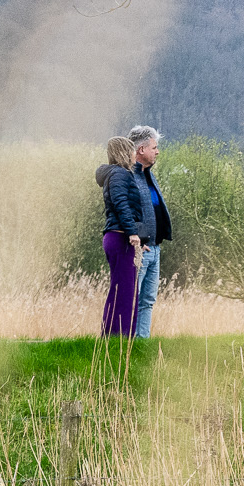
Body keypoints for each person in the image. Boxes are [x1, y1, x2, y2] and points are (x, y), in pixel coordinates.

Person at [99, 135, 150, 338]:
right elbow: (121, 204)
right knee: (125, 291)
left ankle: (113, 337)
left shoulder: (116, 174)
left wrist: (140, 240)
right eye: (131, 151)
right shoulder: (120, 174)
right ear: (124, 153)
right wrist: (132, 234)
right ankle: (120, 337)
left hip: (120, 238)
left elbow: (131, 210)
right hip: (120, 238)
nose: (133, 155)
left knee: (122, 288)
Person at [127, 125, 172, 338]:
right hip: (141, 248)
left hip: (154, 248)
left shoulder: (148, 175)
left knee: (147, 300)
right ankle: (127, 343)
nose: (157, 151)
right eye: (154, 147)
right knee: (133, 299)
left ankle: (142, 342)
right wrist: (141, 239)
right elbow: (129, 210)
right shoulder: (129, 177)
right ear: (141, 149)